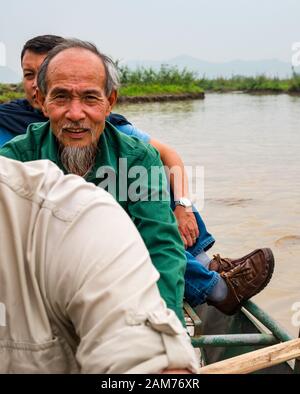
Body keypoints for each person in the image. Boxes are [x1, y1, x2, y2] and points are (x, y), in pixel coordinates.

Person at [0, 39, 275, 319]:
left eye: (90, 98)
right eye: (60, 97)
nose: (75, 113)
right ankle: (214, 280)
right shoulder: (15, 158)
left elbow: (161, 246)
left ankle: (209, 280)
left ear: (110, 102)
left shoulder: (137, 156)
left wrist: (168, 333)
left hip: (113, 285)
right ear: (43, 102)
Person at [0, 155, 199, 373]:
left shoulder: (132, 155)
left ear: (107, 118)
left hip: (125, 262)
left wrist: (183, 205)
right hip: (104, 262)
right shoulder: (21, 150)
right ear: (45, 117)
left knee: (187, 252)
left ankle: (217, 287)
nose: (75, 118)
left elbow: (162, 245)